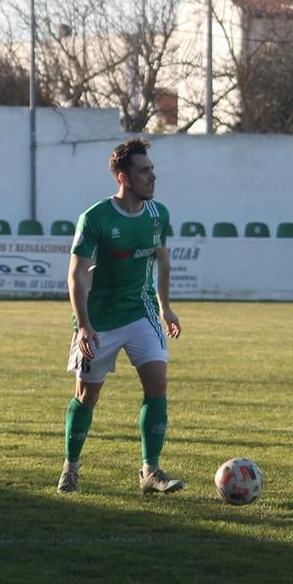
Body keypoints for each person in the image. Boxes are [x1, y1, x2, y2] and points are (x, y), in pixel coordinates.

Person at [58, 136, 183, 495]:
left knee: (157, 383)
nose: (152, 177)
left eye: (152, 170)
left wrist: (165, 307)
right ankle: (71, 467)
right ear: (124, 178)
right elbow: (76, 274)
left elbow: (162, 261)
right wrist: (83, 325)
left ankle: (151, 471)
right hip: (98, 319)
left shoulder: (159, 215)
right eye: (144, 171)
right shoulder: (95, 218)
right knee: (87, 396)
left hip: (140, 311)